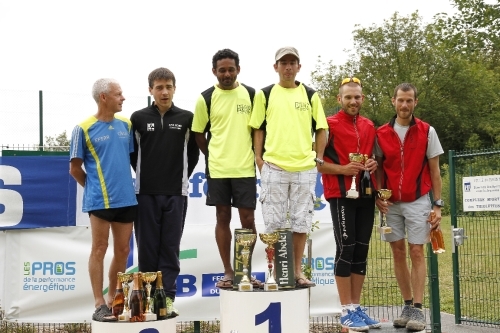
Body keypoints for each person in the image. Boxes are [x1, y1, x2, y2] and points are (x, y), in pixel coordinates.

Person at [249, 46, 328, 288]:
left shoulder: (311, 95)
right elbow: (258, 128)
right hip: (274, 166)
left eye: (292, 62)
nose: (288, 66)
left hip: (305, 169)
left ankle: (296, 273)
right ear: (276, 67)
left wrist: (318, 159)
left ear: (299, 67)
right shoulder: (265, 94)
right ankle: (275, 274)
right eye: (283, 62)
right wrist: (260, 160)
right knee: (273, 225)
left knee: (301, 223)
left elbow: (322, 129)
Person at [130, 67, 199, 318]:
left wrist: (178, 177)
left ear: (174, 88)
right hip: (145, 193)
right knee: (147, 249)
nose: (164, 91)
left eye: (168, 86)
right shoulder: (137, 118)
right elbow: (133, 154)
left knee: (170, 249)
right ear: (150, 90)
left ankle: (166, 301)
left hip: (176, 193)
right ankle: (148, 301)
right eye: (159, 87)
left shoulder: (186, 118)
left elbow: (192, 155)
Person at [375, 83, 443, 332]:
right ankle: (406, 305)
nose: (404, 105)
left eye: (409, 101)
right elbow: (379, 168)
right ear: (393, 101)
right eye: (400, 100)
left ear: (416, 102)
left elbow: (435, 171)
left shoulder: (427, 131)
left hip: (418, 200)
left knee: (416, 251)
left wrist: (438, 205)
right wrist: (378, 196)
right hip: (391, 203)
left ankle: (418, 307)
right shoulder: (380, 133)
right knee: (397, 252)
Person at [192, 49, 261, 289]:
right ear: (214, 72)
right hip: (218, 169)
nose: (227, 74)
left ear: (238, 69)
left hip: (245, 168)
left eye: (231, 69)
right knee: (222, 217)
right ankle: (229, 271)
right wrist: (211, 155)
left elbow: (258, 131)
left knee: (248, 220)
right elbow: (198, 133)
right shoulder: (206, 98)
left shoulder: (252, 95)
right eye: (222, 70)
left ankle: (245, 271)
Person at [69, 78, 137, 322]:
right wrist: (93, 188)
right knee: (99, 249)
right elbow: (75, 168)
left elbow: (130, 160)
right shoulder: (83, 128)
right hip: (99, 201)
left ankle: (114, 298)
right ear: (104, 98)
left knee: (123, 250)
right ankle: (99, 303)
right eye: (119, 94)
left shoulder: (126, 125)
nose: (123, 98)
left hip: (126, 199)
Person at [317, 77, 380, 332]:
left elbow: (373, 156)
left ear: (362, 99)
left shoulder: (368, 125)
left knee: (361, 251)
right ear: (339, 99)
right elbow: (317, 162)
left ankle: (355, 307)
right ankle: (345, 311)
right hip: (340, 194)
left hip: (366, 193)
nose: (353, 101)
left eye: (357, 97)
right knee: (346, 249)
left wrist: (373, 163)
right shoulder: (328, 125)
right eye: (348, 97)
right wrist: (343, 169)